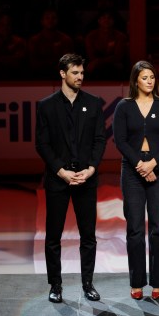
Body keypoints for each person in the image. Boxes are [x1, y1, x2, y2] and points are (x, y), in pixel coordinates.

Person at [35, 53, 107, 303]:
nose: (80, 77)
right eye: (75, 72)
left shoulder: (94, 103)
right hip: (58, 179)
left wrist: (91, 168)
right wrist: (61, 171)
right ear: (62, 74)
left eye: (82, 72)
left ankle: (88, 283)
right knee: (53, 236)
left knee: (88, 235)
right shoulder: (46, 106)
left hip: (86, 179)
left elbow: (100, 140)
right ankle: (55, 284)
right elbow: (42, 144)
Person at [112, 60, 159, 300]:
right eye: (144, 78)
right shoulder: (124, 107)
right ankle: (137, 282)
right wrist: (140, 165)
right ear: (135, 81)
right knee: (135, 229)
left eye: (152, 77)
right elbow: (120, 141)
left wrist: (153, 164)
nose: (149, 81)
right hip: (132, 171)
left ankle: (158, 282)